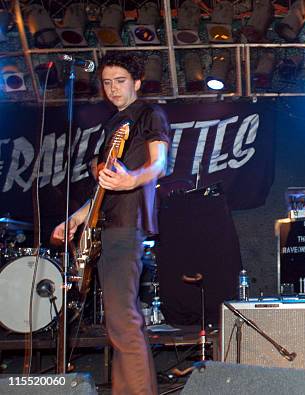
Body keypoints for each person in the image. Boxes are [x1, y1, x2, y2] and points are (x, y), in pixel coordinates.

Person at [52, 52, 169, 395]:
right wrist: (75, 218)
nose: (114, 89)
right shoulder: (112, 125)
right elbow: (104, 189)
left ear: (136, 83)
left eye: (120, 82)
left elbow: (159, 164)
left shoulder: (149, 113)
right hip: (103, 225)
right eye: (107, 83)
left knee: (123, 320)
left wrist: (133, 179)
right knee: (117, 322)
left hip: (126, 224)